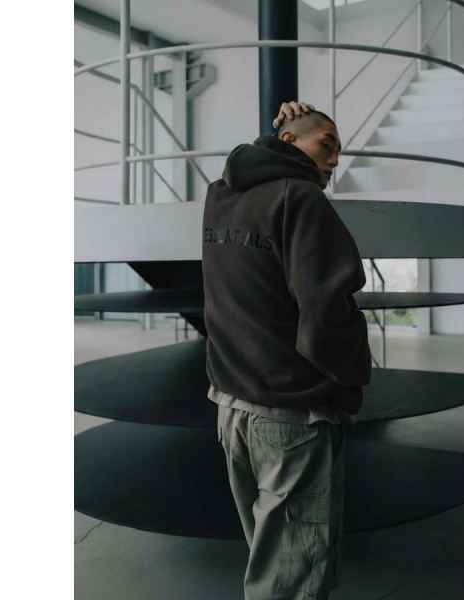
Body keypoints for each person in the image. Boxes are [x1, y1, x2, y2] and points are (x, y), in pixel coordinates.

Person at [202, 101, 371, 599]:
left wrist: (277, 135)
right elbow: (326, 312)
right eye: (327, 144)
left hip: (231, 406)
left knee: (271, 558)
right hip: (291, 414)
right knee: (293, 575)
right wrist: (351, 382)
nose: (335, 160)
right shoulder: (302, 199)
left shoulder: (220, 196)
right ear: (291, 142)